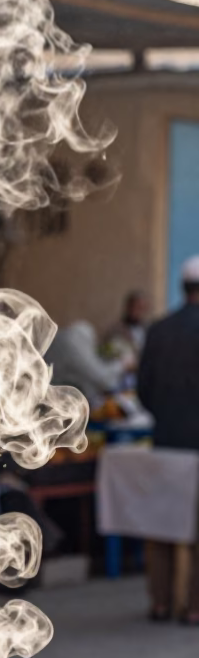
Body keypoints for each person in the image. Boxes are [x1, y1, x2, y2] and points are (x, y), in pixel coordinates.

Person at [137, 256, 199, 623]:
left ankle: (160, 603)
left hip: (166, 440)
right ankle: (194, 608)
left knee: (162, 525)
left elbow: (144, 389)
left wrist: (166, 416)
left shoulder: (158, 330)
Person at [45, 320, 124, 409]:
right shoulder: (76, 343)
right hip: (56, 403)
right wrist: (121, 365)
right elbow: (102, 378)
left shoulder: (70, 337)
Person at [102, 290, 150, 379]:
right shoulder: (116, 329)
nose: (136, 311)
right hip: (121, 376)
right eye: (134, 307)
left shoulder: (147, 329)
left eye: (140, 308)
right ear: (128, 307)